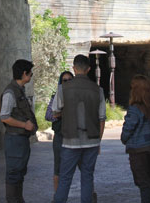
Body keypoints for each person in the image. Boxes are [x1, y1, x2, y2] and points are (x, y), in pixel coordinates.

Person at [52, 55, 106, 203]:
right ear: (88, 69)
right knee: (87, 177)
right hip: (92, 140)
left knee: (65, 178)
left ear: (74, 68)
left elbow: (55, 111)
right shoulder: (98, 90)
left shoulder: (63, 89)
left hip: (70, 140)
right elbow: (102, 118)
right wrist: (99, 140)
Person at [120, 75, 150, 203]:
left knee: (143, 181)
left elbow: (129, 128)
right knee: (149, 178)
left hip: (139, 149)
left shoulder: (135, 108)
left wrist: (124, 139)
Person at [0, 59, 37, 203]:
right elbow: (4, 117)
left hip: (21, 140)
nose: (31, 76)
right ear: (24, 74)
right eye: (30, 73)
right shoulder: (10, 92)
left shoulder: (19, 90)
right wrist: (24, 125)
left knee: (20, 172)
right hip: (14, 139)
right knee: (14, 173)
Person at [47, 71, 74, 192]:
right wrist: (63, 113)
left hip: (74, 136)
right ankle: (57, 197)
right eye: (64, 80)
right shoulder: (56, 96)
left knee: (83, 168)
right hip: (60, 135)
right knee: (58, 167)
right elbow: (49, 115)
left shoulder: (77, 96)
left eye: (70, 80)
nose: (67, 83)